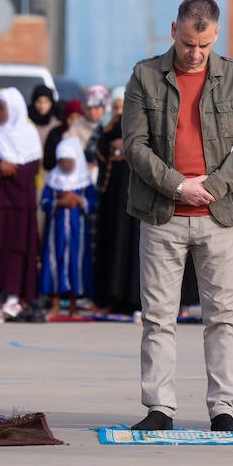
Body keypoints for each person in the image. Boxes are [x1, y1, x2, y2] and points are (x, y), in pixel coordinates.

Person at [121, 0, 233, 432]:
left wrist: (212, 187)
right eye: (187, 43)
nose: (195, 53)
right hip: (161, 212)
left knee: (222, 315)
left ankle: (223, 409)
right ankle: (159, 408)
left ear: (216, 34)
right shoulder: (144, 75)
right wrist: (178, 184)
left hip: (219, 216)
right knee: (158, 316)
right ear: (174, 30)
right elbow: (134, 145)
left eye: (203, 45)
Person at [0, 87, 42, 321]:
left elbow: (34, 165)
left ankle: (14, 299)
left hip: (22, 202)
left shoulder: (29, 133)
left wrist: (13, 171)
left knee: (17, 248)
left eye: (1, 107)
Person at [91, 86, 142, 316]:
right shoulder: (108, 129)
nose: (120, 112)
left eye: (123, 106)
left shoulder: (139, 127)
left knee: (132, 248)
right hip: (112, 201)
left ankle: (133, 300)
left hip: (135, 201)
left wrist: (127, 146)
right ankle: (110, 298)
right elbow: (100, 152)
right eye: (116, 107)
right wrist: (113, 145)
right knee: (112, 246)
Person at [41, 138, 97, 318]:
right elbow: (44, 202)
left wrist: (78, 200)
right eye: (62, 161)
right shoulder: (53, 179)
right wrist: (59, 202)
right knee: (54, 264)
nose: (65, 165)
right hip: (55, 233)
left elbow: (93, 203)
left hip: (77, 232)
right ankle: (55, 305)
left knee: (76, 263)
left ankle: (73, 307)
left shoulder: (84, 181)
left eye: (69, 161)